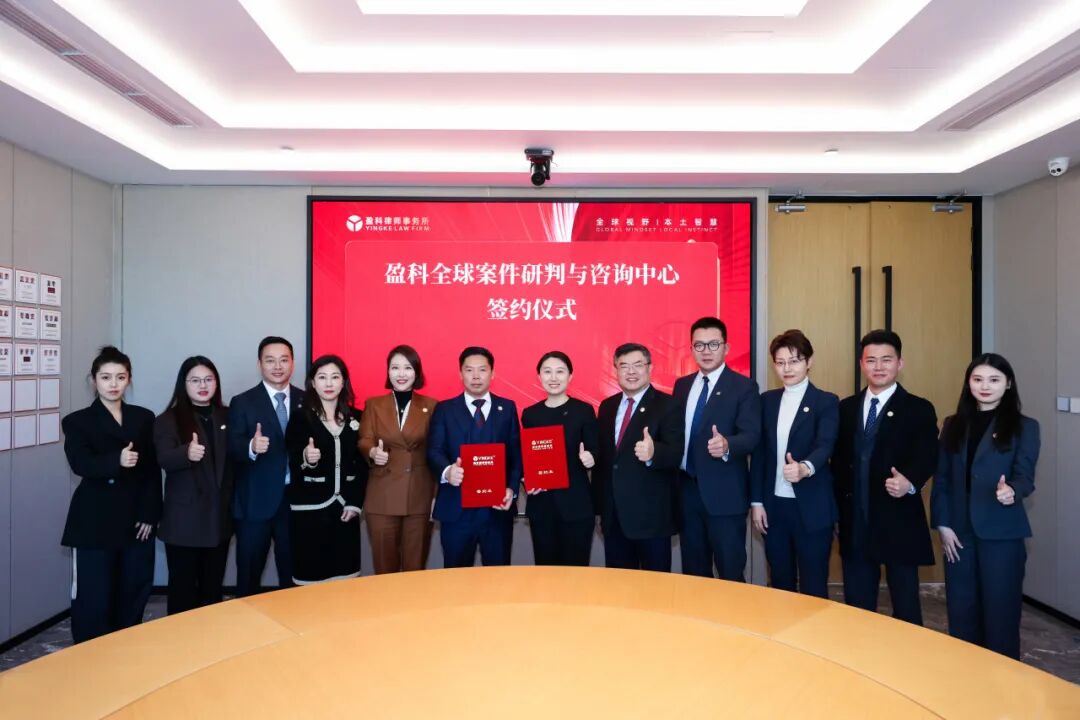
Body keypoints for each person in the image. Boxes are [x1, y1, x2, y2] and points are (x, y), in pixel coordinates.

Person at [932, 353, 1039, 659]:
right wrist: (943, 524)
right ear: (968, 383)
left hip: (1002, 532)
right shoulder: (953, 424)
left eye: (994, 380)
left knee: (1000, 614)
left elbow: (1025, 476)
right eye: (977, 379)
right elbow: (942, 479)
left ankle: (1002, 680)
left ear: (1008, 384)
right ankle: (967, 675)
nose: (985, 386)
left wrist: (1012, 491)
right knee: (961, 610)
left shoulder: (1025, 427)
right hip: (958, 533)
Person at [832, 330, 938, 625]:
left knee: (905, 608)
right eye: (871, 360)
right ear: (861, 364)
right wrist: (836, 514)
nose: (878, 367)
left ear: (900, 363)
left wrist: (910, 482)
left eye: (886, 360)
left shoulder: (918, 408)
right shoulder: (846, 408)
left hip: (898, 519)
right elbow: (837, 463)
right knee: (857, 608)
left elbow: (929, 454)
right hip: (856, 520)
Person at [61, 346, 160, 643]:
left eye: (120, 377)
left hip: (135, 519)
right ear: (94, 380)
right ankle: (91, 657)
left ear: (129, 379)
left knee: (133, 589)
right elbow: (80, 464)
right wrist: (115, 460)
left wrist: (149, 513)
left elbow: (152, 470)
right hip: (95, 520)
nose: (113, 384)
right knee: (94, 596)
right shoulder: (77, 421)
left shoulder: (143, 417)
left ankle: (125, 652)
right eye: (106, 377)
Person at [750, 330, 838, 597]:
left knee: (813, 584)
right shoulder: (767, 401)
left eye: (794, 361)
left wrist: (804, 468)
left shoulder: (826, 401)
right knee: (780, 582)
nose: (787, 368)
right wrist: (757, 502)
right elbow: (760, 454)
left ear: (809, 362)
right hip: (774, 506)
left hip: (811, 507)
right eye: (780, 362)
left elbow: (825, 444)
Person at [673, 317, 761, 581]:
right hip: (687, 491)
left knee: (730, 571)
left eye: (713, 344)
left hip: (725, 495)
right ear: (691, 349)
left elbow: (752, 435)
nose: (706, 351)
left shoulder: (744, 387)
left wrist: (727, 445)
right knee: (693, 572)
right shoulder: (682, 386)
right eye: (699, 345)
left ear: (726, 348)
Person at [427, 347, 522, 567]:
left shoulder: (507, 408)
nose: (476, 376)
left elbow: (516, 454)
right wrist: (447, 471)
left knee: (498, 576)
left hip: (497, 510)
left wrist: (511, 488)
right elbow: (434, 450)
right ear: (461, 374)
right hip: (456, 509)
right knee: (456, 576)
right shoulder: (444, 409)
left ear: (493, 373)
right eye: (469, 370)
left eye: (482, 370)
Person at [153, 356, 232, 614]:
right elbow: (163, 458)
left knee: (212, 590)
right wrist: (185, 453)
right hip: (184, 523)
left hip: (218, 519)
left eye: (209, 379)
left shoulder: (227, 415)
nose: (203, 385)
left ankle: (211, 636)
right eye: (195, 380)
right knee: (183, 591)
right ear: (183, 384)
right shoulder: (168, 419)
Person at [594, 343, 681, 572]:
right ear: (616, 370)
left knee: (655, 586)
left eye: (638, 365)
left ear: (650, 368)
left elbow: (676, 453)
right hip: (614, 518)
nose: (631, 372)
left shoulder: (668, 404)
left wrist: (654, 453)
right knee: (619, 586)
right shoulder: (607, 407)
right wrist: (601, 510)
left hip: (651, 519)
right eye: (624, 366)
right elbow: (605, 463)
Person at [227, 336, 304, 596]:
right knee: (249, 576)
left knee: (293, 578)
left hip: (294, 503)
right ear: (260, 364)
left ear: (293, 363)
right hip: (254, 503)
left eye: (284, 360)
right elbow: (231, 446)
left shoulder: (307, 400)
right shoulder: (242, 402)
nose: (277, 366)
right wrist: (251, 446)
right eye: (270, 361)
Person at [285, 355, 366, 583]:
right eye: (322, 377)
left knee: (345, 581)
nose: (329, 383)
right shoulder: (300, 418)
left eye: (335, 377)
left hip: (345, 512)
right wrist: (307, 457)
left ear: (343, 382)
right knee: (311, 581)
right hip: (309, 512)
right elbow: (293, 457)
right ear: (312, 382)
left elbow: (362, 466)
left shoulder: (357, 418)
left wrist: (355, 503)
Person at [358, 345, 437, 573]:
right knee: (384, 568)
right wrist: (373, 452)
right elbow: (364, 439)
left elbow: (437, 452)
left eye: (407, 368)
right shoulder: (374, 404)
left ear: (417, 372)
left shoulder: (431, 406)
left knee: (414, 567)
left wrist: (436, 495)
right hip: (382, 494)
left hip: (419, 495)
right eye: (395, 368)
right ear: (388, 372)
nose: (401, 374)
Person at [521, 351, 599, 566]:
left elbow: (595, 448)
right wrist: (526, 478)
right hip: (542, 505)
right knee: (545, 571)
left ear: (570, 376)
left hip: (576, 505)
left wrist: (591, 457)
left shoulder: (584, 411)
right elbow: (526, 455)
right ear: (539, 377)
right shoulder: (530, 414)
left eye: (560, 372)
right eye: (547, 372)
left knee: (576, 571)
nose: (553, 378)